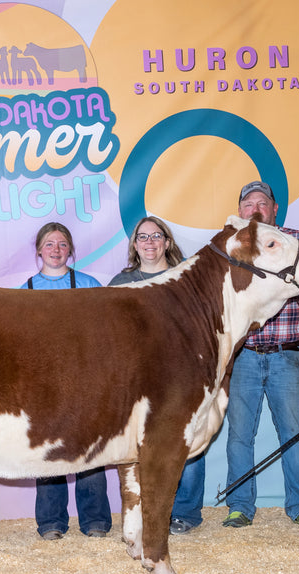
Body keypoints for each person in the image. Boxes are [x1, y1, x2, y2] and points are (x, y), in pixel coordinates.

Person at [222, 182, 299, 531]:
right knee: (239, 435)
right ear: (239, 210)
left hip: (288, 353)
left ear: (274, 208)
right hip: (245, 356)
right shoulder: (232, 246)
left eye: (261, 202)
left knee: (293, 432)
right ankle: (239, 506)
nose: (255, 208)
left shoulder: (298, 242)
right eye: (247, 202)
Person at [107, 216, 203, 534]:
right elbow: (110, 336)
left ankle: (186, 512)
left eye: (156, 236)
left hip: (180, 374)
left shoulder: (186, 279)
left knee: (186, 441)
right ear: (135, 245)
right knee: (135, 446)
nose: (150, 242)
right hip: (135, 379)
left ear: (167, 242)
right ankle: (144, 511)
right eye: (143, 237)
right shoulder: (121, 283)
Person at [25, 222, 112, 540]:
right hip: (44, 387)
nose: (56, 249)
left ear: (71, 249)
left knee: (90, 451)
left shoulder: (88, 284)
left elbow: (105, 335)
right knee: (49, 454)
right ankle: (51, 522)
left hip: (85, 383)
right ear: (39, 250)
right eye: (49, 244)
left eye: (62, 244)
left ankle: (95, 521)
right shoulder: (25, 291)